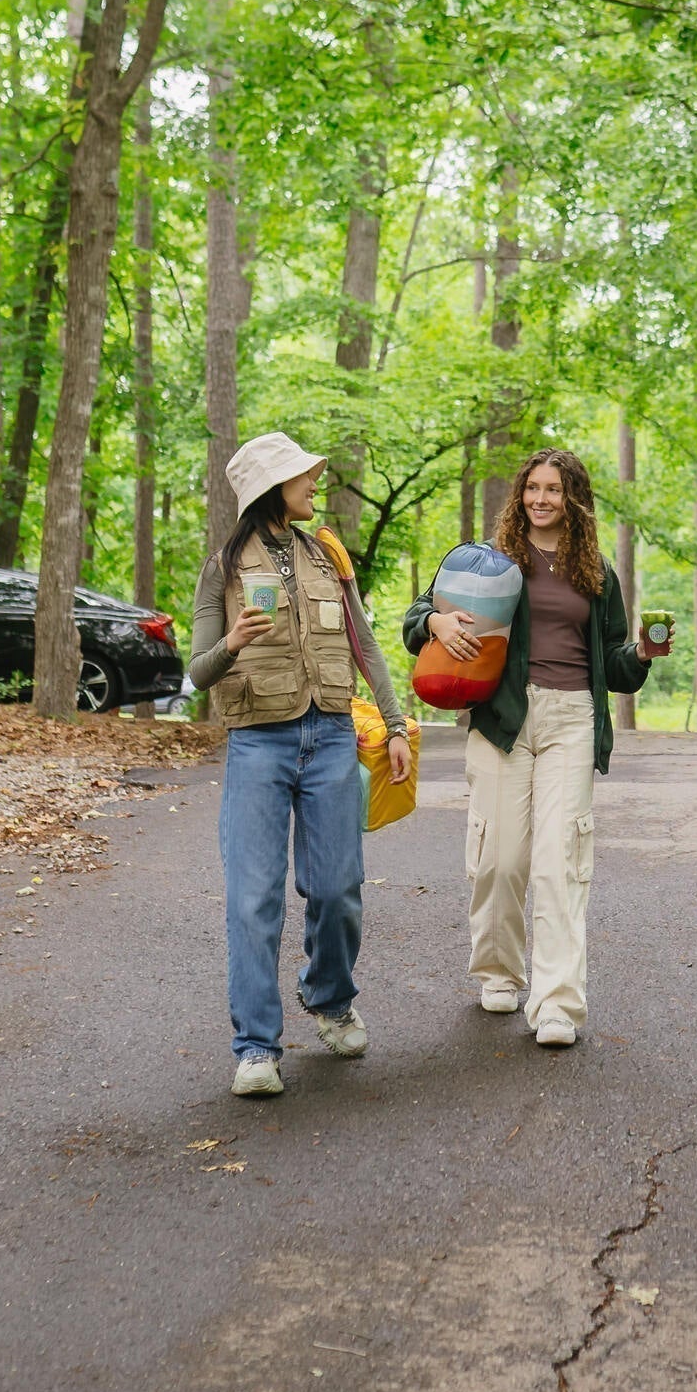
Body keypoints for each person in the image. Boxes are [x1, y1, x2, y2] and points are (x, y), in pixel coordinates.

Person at [405, 449, 666, 1048]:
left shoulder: (596, 572)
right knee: (500, 857)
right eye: (531, 488)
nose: (540, 499)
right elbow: (420, 614)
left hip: (572, 719)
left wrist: (645, 657)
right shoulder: (493, 563)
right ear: (520, 495)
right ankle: (499, 971)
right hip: (504, 717)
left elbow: (616, 666)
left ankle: (556, 1004)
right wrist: (435, 625)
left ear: (573, 498)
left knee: (559, 862)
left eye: (553, 489)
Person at [187, 432, 413, 1098]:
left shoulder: (328, 555)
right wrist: (232, 642)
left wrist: (395, 725)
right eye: (303, 477)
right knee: (254, 899)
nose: (316, 483)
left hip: (334, 739)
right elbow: (199, 671)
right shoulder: (222, 567)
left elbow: (364, 644)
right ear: (269, 489)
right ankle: (257, 1046)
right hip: (260, 742)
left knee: (338, 886)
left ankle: (330, 998)